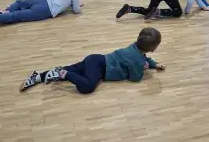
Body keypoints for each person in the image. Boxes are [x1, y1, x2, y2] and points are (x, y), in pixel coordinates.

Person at [19, 27, 164, 94]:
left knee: (74, 70)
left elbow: (144, 58)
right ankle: (63, 74)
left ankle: (37, 76)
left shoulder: (134, 48)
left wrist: (154, 64)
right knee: (86, 87)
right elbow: (135, 78)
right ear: (153, 48)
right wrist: (144, 68)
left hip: (96, 59)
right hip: (100, 68)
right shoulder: (138, 61)